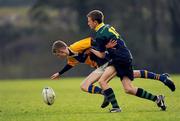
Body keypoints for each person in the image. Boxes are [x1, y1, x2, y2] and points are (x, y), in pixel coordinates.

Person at [51, 37, 175, 112]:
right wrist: (59, 73)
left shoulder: (77, 46)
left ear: (62, 50)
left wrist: (105, 49)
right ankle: (160, 88)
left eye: (58, 54)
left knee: (86, 85)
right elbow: (70, 65)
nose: (58, 57)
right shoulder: (71, 58)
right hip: (103, 65)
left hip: (108, 61)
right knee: (130, 84)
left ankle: (111, 101)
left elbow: (93, 41)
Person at [86, 9, 176, 112]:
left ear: (95, 22)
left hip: (119, 58)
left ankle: (116, 107)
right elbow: (111, 44)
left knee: (102, 81)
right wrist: (107, 47)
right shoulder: (107, 27)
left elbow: (101, 55)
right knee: (128, 88)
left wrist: (91, 50)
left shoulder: (100, 35)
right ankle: (158, 97)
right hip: (123, 55)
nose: (88, 23)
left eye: (89, 21)